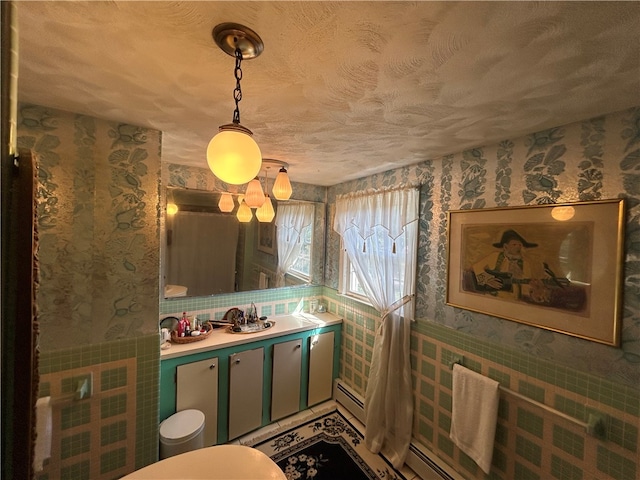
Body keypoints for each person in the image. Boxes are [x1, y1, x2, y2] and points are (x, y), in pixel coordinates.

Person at [472, 229, 551, 303]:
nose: (518, 247)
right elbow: (476, 267)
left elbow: (525, 283)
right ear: (505, 246)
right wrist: (488, 280)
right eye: (514, 244)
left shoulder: (525, 264)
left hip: (514, 300)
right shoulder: (495, 256)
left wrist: (535, 287)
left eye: (520, 245)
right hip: (493, 297)